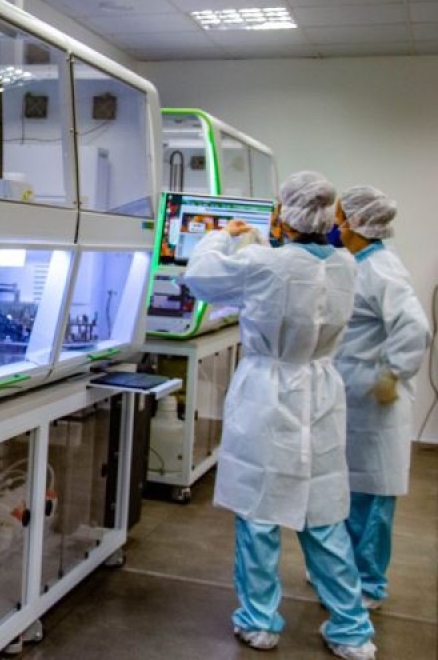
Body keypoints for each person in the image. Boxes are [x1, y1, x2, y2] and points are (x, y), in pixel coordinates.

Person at [184, 171, 376, 660]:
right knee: (324, 517)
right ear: (328, 217)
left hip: (268, 393)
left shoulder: (264, 264)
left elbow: (201, 277)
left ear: (282, 215)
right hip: (321, 392)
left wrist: (221, 236)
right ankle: (352, 630)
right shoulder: (346, 265)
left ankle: (260, 622)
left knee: (259, 514)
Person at [333, 186, 431, 610]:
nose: (334, 225)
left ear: (357, 223)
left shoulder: (381, 269)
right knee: (349, 492)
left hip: (377, 401)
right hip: (355, 396)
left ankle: (367, 583)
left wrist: (393, 372)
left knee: (372, 496)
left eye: (339, 218)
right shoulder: (356, 263)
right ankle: (343, 572)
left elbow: (415, 327)